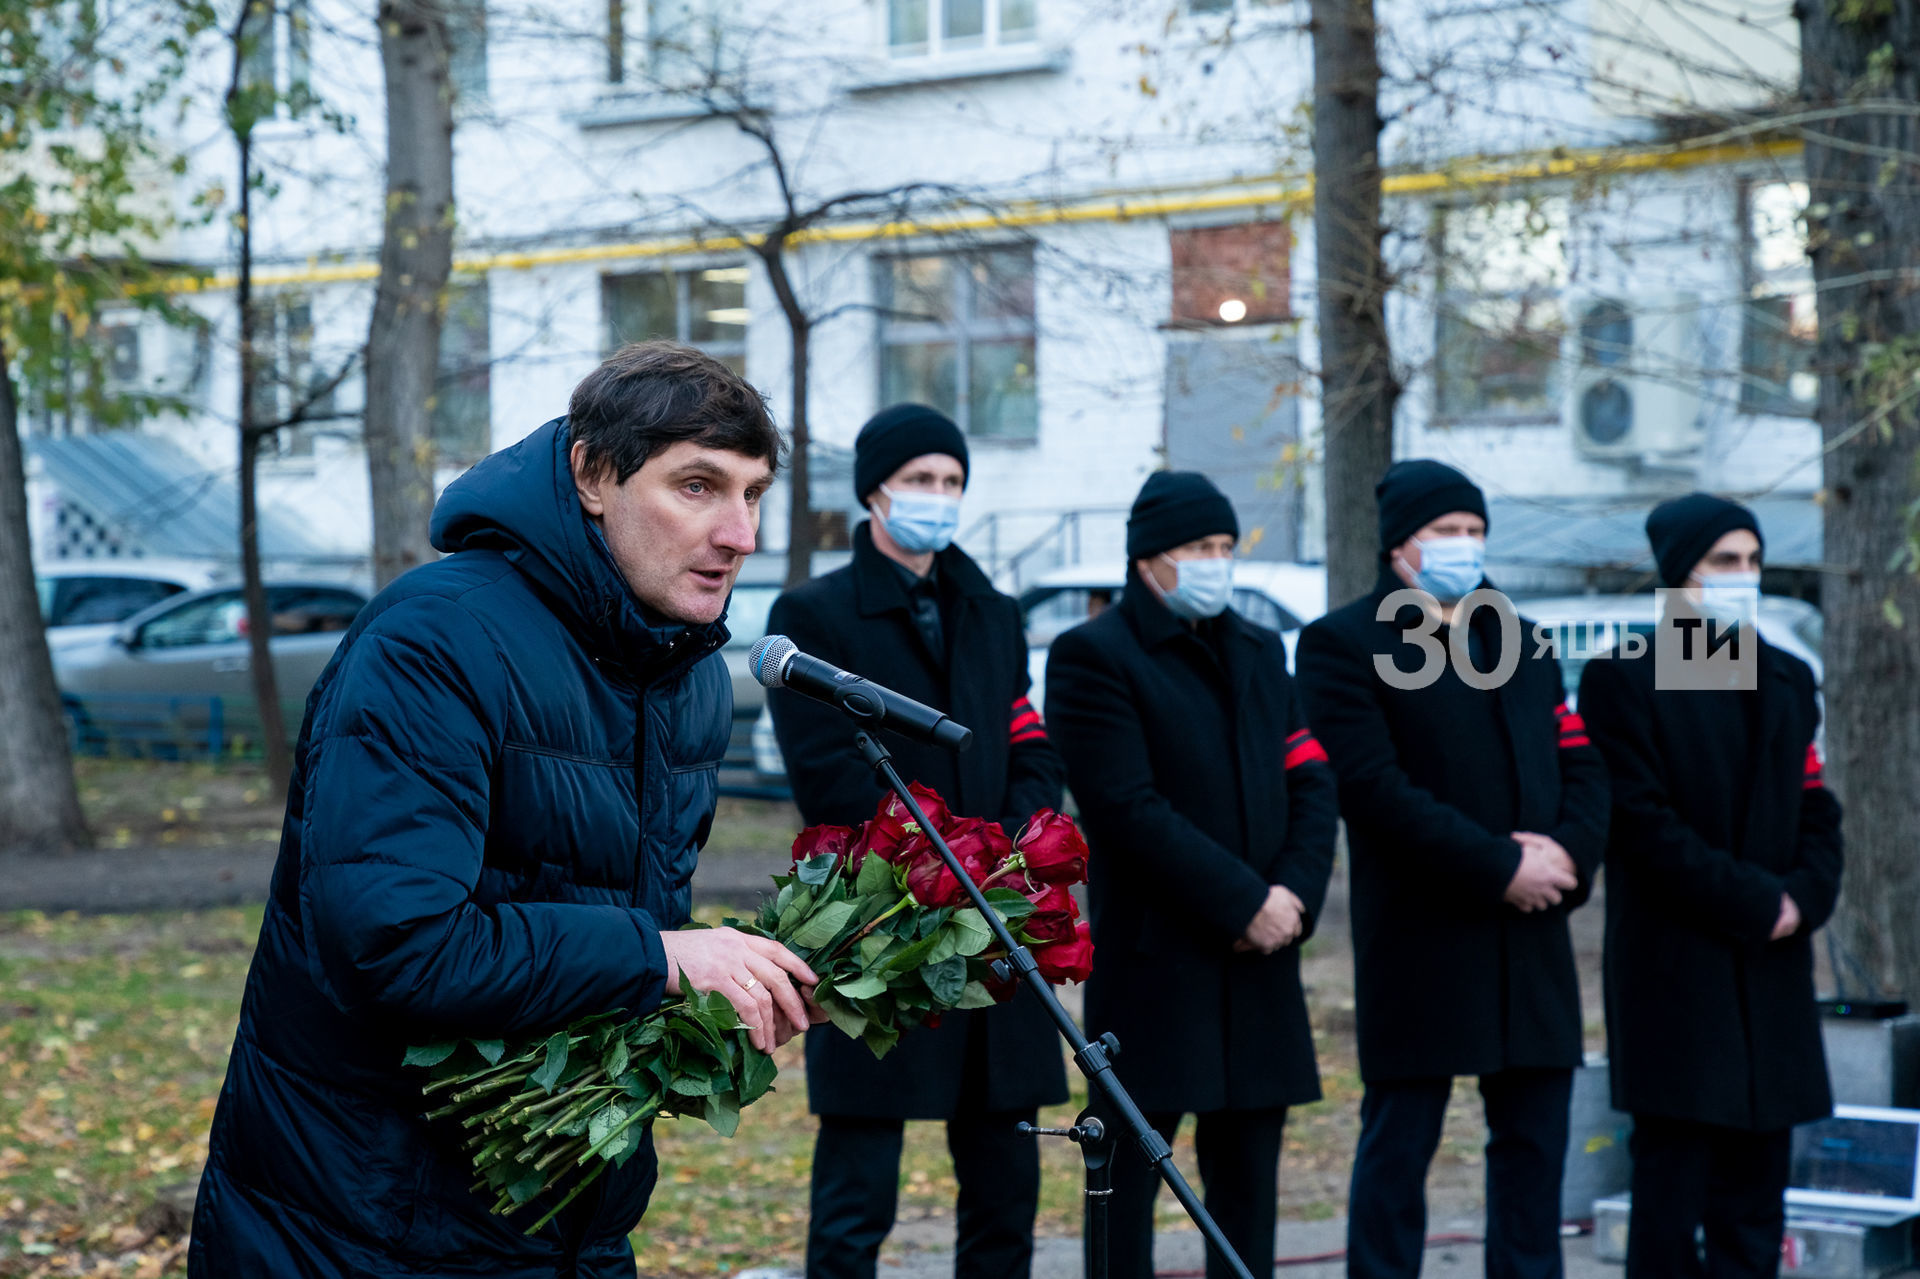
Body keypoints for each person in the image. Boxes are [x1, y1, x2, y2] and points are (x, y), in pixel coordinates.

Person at [189, 343, 821, 1279]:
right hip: (364, 1224)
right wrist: (658, 957)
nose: (741, 532)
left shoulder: (685, 675)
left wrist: (693, 1005)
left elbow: (606, 937)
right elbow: (399, 943)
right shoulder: (433, 641)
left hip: (566, 1217)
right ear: (593, 475)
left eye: (753, 492)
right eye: (698, 486)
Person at [765, 403, 1069, 1279]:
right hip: (881, 926)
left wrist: (1006, 853)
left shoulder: (992, 609)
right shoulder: (816, 613)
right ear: (876, 492)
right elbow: (828, 774)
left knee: (1006, 1186)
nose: (939, 496)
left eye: (952, 481)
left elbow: (1028, 744)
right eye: (921, 480)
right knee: (860, 1197)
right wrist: (948, 863)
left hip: (994, 921)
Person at [1294, 459, 1611, 1279]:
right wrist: (1499, 864)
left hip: (1532, 935)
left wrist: (1567, 856)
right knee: (1402, 1140)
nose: (1465, 547)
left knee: (1535, 1147)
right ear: (1401, 545)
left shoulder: (1522, 640)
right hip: (1424, 935)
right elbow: (1372, 788)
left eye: (1475, 531)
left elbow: (1579, 763)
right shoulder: (1343, 645)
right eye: (1446, 532)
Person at [1045, 471, 1340, 1279]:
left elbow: (1311, 779)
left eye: (1224, 547)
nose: (1216, 562)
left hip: (1260, 964)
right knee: (1130, 1179)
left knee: (1247, 1186)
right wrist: (1245, 901)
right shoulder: (1093, 656)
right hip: (1158, 967)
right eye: (1196, 548)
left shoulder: (1256, 646)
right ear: (1149, 559)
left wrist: (1293, 897)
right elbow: (1127, 808)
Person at [1579, 494, 1843, 1279]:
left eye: (1754, 561)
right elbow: (1644, 827)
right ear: (1678, 575)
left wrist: (1804, 895)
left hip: (1771, 977)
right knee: (1671, 1195)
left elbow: (1814, 807)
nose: (1745, 578)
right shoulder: (1624, 679)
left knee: (1755, 1202)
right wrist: (1760, 902)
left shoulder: (1787, 678)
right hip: (1677, 976)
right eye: (1725, 562)